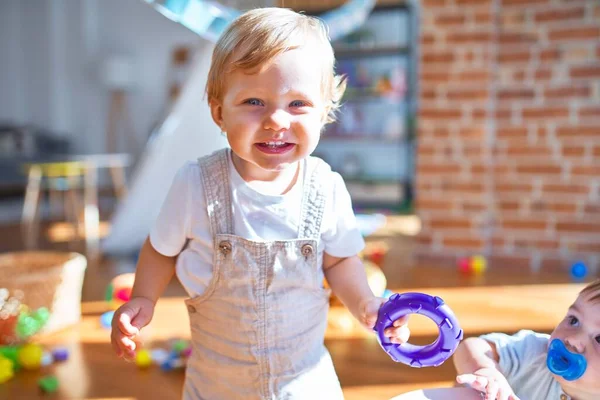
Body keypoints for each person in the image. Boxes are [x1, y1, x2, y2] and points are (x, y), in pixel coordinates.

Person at [110, 7, 410, 400]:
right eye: (254, 102)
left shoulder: (326, 186)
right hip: (217, 383)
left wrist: (366, 303)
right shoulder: (194, 184)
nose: (276, 121)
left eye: (298, 104)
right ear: (219, 112)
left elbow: (340, 261)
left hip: (305, 382)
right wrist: (143, 299)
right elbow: (160, 251)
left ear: (325, 113)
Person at [453, 279, 600, 400]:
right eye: (573, 320)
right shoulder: (534, 352)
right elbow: (471, 347)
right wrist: (485, 369)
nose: (573, 339)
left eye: (599, 338)